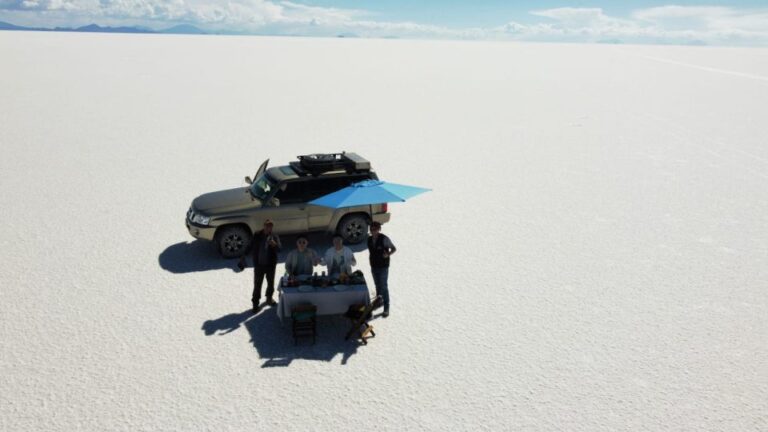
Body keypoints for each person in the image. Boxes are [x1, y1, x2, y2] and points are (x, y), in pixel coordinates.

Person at [238, 220, 281, 313]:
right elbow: (250, 246)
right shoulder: (257, 235)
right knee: (257, 285)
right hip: (259, 265)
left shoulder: (274, 236)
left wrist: (274, 244)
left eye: (270, 226)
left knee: (270, 283)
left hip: (270, 265)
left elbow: (280, 249)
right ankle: (255, 304)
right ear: (264, 226)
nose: (268, 228)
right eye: (267, 226)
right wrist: (244, 254)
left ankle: (269, 298)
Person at [367, 221, 396, 317]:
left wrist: (387, 254)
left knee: (383, 286)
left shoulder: (384, 239)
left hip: (383, 266)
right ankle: (379, 302)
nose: (373, 231)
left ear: (379, 229)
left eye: (375, 229)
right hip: (374, 266)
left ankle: (386, 307)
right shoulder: (369, 240)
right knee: (377, 285)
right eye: (371, 229)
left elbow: (394, 248)